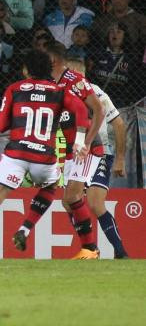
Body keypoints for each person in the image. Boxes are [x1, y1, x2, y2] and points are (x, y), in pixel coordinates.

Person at [0, 50, 90, 261]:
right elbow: (82, 110)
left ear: (26, 69)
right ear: (48, 69)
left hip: (16, 153)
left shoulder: (15, 89)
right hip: (44, 157)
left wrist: (15, 120)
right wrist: (80, 140)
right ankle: (25, 228)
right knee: (50, 186)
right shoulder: (59, 91)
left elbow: (0, 125)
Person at [29, 41, 105, 258]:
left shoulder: (75, 80)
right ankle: (89, 247)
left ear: (52, 60)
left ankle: (90, 249)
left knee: (72, 196)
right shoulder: (48, 84)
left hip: (86, 147)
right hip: (71, 149)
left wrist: (89, 142)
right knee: (67, 201)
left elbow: (98, 110)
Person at [63, 63, 129, 259]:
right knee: (68, 202)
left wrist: (120, 159)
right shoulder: (63, 95)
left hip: (101, 152)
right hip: (75, 155)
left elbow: (118, 124)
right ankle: (89, 248)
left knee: (95, 202)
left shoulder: (97, 95)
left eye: (77, 75)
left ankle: (120, 252)